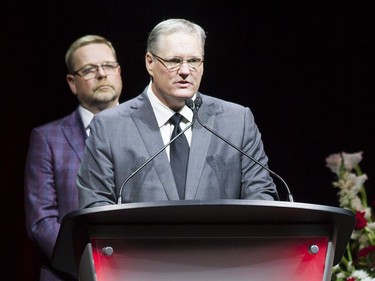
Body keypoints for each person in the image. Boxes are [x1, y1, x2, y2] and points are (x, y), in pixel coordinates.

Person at [77, 18, 279, 209]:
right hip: (141, 246)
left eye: (194, 61)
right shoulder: (110, 127)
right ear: (150, 62)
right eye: (174, 61)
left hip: (221, 245)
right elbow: (96, 205)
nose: (185, 70)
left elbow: (261, 196)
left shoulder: (237, 122)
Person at [24, 35, 123, 281]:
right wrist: (88, 264)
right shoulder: (47, 138)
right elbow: (41, 220)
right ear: (72, 82)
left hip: (141, 268)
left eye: (108, 66)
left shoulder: (151, 130)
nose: (102, 74)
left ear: (119, 72)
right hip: (70, 274)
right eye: (89, 69)